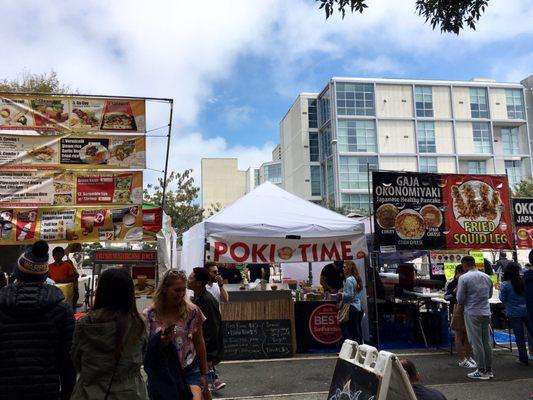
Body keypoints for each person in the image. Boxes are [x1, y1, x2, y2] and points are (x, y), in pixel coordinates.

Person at [0, 240, 76, 400]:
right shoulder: (62, 310)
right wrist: (67, 393)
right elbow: (68, 360)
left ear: (17, 273)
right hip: (46, 391)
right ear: (44, 276)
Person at [70, 268, 148, 400]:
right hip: (130, 392)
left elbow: (75, 359)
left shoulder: (85, 322)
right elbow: (143, 355)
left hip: (89, 391)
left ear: (101, 291)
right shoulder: (138, 324)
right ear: (129, 294)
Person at [144, 270, 210, 400]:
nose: (181, 294)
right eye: (176, 290)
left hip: (189, 369)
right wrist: (160, 343)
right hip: (163, 373)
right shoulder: (149, 315)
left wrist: (205, 374)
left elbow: (199, 342)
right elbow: (145, 348)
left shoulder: (192, 311)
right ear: (164, 289)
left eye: (183, 290)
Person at [188, 268, 225, 393]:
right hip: (201, 347)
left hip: (205, 349)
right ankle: (214, 381)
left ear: (198, 283)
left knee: (201, 384)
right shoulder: (198, 297)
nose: (188, 279)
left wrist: (208, 355)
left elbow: (212, 328)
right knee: (202, 385)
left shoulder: (207, 300)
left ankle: (214, 381)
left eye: (191, 278)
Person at [457, 255, 493, 380]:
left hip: (472, 312)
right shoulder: (486, 276)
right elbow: (489, 295)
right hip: (486, 311)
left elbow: (460, 298)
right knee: (486, 342)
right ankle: (488, 370)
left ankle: (481, 370)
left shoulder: (463, 278)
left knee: (476, 342)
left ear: (464, 264)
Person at [499, 262, 533, 365]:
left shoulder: (505, 284)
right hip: (527, 311)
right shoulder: (523, 281)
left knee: (519, 337)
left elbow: (502, 298)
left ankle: (523, 359)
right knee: (531, 333)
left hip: (513, 313)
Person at [444, 264, 475, 368]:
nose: (465, 274)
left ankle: (468, 357)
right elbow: (446, 297)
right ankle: (462, 359)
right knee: (459, 334)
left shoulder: (468, 281)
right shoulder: (452, 283)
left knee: (468, 335)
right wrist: (454, 292)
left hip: (469, 309)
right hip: (457, 309)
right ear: (458, 272)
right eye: (463, 272)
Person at [337, 261, 364, 343]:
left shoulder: (349, 279)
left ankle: (349, 348)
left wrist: (341, 294)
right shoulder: (355, 278)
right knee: (356, 329)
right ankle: (358, 347)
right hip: (357, 306)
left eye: (344, 267)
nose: (343, 268)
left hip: (351, 306)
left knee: (347, 328)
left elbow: (349, 295)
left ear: (349, 268)